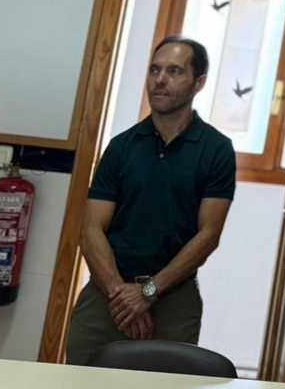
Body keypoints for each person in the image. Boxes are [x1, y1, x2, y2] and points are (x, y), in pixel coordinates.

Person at [66, 35, 237, 366]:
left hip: (173, 299)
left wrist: (148, 293)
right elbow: (90, 229)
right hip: (106, 293)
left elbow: (208, 236)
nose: (160, 79)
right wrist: (122, 297)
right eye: (155, 70)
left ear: (198, 82)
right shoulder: (121, 147)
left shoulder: (216, 150)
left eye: (174, 71)